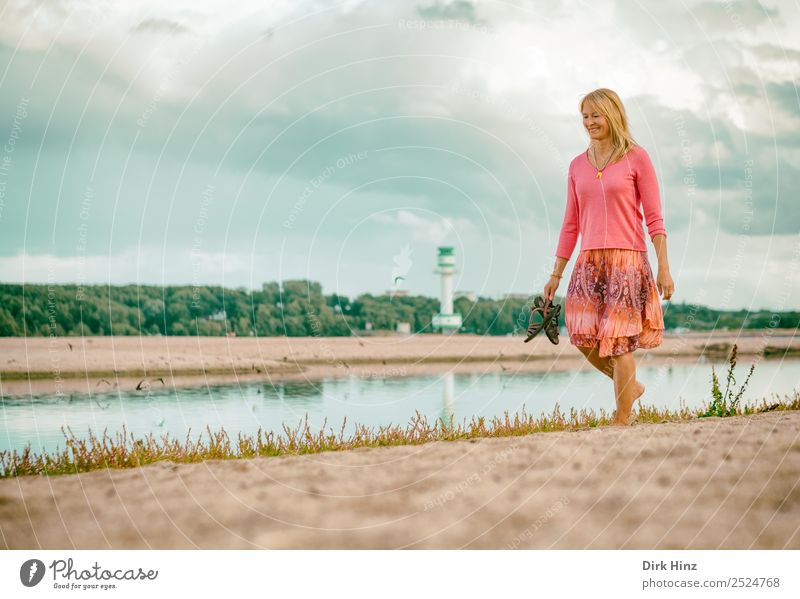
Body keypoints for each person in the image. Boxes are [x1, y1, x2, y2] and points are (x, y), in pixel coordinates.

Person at [544, 88, 675, 426]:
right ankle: (631, 387)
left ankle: (621, 418)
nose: (589, 122)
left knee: (620, 342)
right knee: (581, 335)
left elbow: (655, 218)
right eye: (585, 116)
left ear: (613, 115)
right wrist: (555, 274)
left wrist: (664, 268)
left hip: (627, 260)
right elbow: (570, 224)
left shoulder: (637, 158)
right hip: (588, 262)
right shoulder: (576, 166)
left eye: (596, 115)